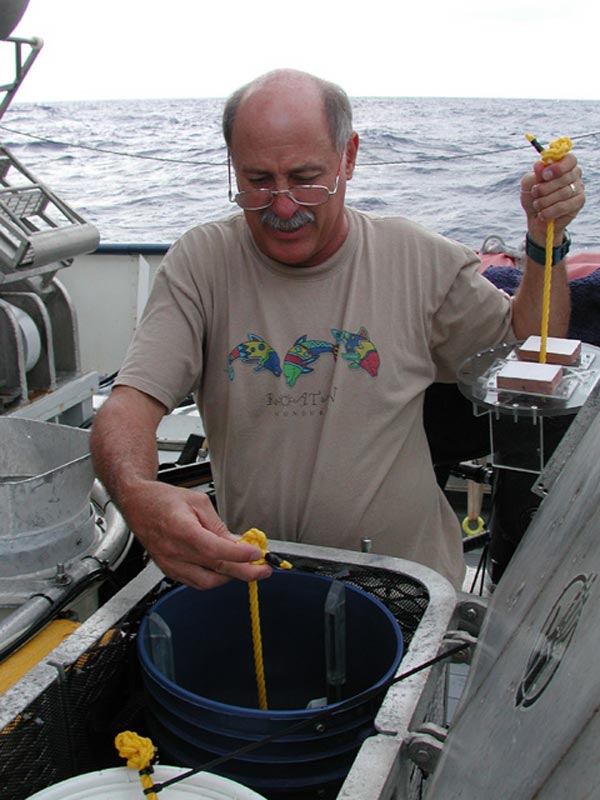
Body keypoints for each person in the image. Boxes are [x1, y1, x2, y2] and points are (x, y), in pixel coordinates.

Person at [90, 69, 585, 591]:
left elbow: (530, 349)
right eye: (257, 181)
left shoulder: (419, 260)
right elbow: (130, 404)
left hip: (410, 585)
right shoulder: (201, 263)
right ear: (232, 166)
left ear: (349, 157)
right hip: (260, 579)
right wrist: (136, 492)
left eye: (306, 178)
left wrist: (543, 241)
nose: (283, 206)